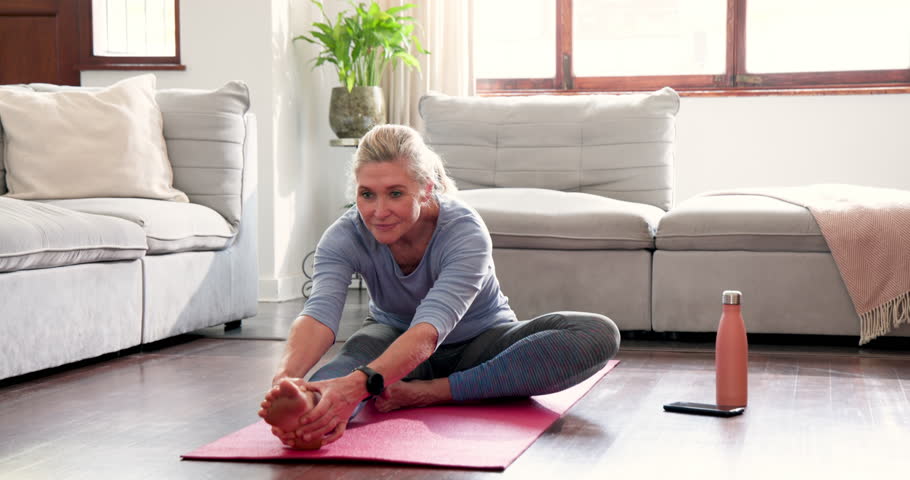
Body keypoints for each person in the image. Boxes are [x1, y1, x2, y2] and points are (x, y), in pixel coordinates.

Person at [258, 124, 620, 449]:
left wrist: (359, 387)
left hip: (481, 343)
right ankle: (309, 410)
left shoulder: (464, 230)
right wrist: (285, 378)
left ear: (426, 189)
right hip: (391, 337)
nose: (378, 210)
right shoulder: (344, 235)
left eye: (395, 193)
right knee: (352, 362)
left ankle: (434, 392)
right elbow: (318, 314)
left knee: (596, 333)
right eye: (367, 194)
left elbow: (430, 331)